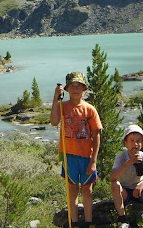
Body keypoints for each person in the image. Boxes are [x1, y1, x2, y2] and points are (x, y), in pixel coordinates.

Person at [51, 72, 102, 228]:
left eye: (78, 86)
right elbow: (54, 122)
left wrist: (94, 160)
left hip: (86, 156)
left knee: (87, 190)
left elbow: (96, 135)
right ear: (67, 89)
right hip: (70, 155)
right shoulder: (62, 106)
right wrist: (55, 98)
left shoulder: (89, 109)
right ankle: (74, 223)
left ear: (83, 88)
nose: (75, 89)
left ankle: (88, 223)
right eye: (72, 86)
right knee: (72, 190)